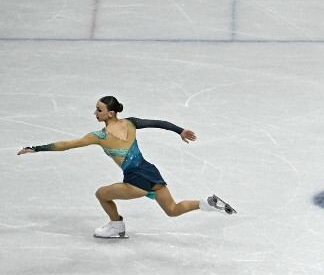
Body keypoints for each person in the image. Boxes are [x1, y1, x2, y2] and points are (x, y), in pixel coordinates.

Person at [17, 96, 235, 238]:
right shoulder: (131, 122)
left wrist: (36, 148)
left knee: (101, 194)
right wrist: (179, 130)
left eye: (99, 110)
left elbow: (66, 145)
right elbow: (159, 123)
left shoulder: (99, 136)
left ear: (110, 113)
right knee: (172, 210)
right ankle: (206, 203)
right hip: (151, 171)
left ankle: (116, 226)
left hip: (136, 178)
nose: (95, 113)